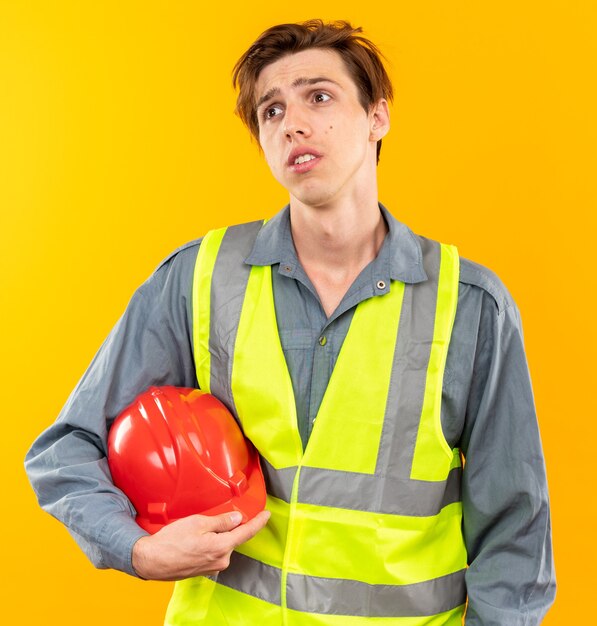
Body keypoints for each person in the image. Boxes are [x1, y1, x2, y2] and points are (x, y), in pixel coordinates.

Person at [25, 19, 555, 625]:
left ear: (378, 118)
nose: (292, 123)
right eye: (270, 111)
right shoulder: (200, 277)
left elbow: (515, 533)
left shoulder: (470, 304)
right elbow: (67, 447)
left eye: (319, 97)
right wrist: (137, 549)